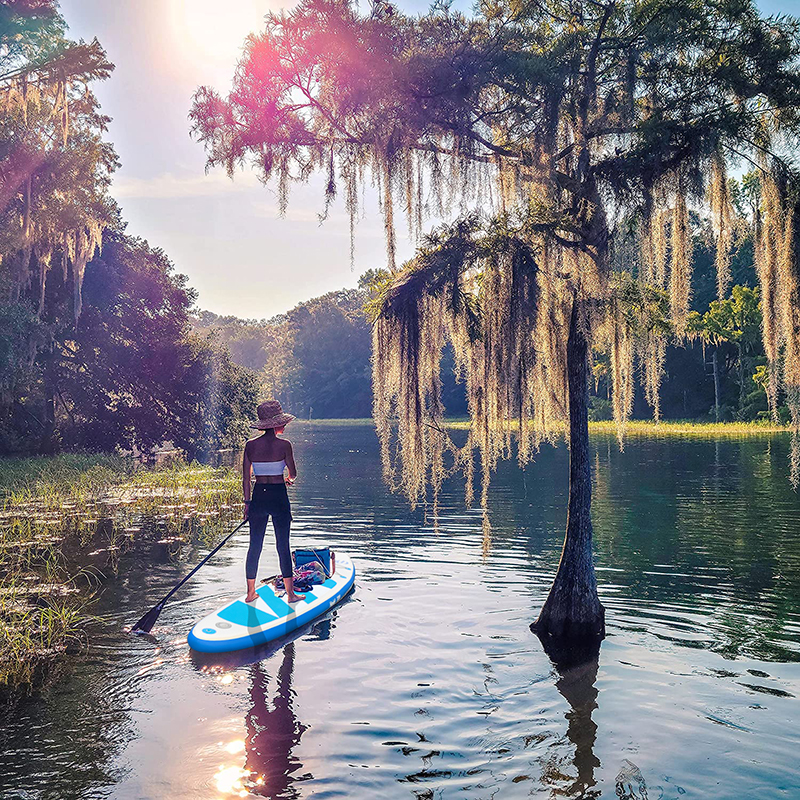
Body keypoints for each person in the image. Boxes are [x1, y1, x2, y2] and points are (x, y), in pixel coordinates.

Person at [242, 399, 305, 603]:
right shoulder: (285, 445)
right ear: (277, 423)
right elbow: (293, 473)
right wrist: (288, 480)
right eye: (282, 422)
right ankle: (291, 594)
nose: (285, 425)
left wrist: (247, 503)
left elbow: (245, 478)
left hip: (259, 495)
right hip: (278, 496)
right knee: (282, 545)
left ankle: (251, 593)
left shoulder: (250, 446)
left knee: (255, 546)